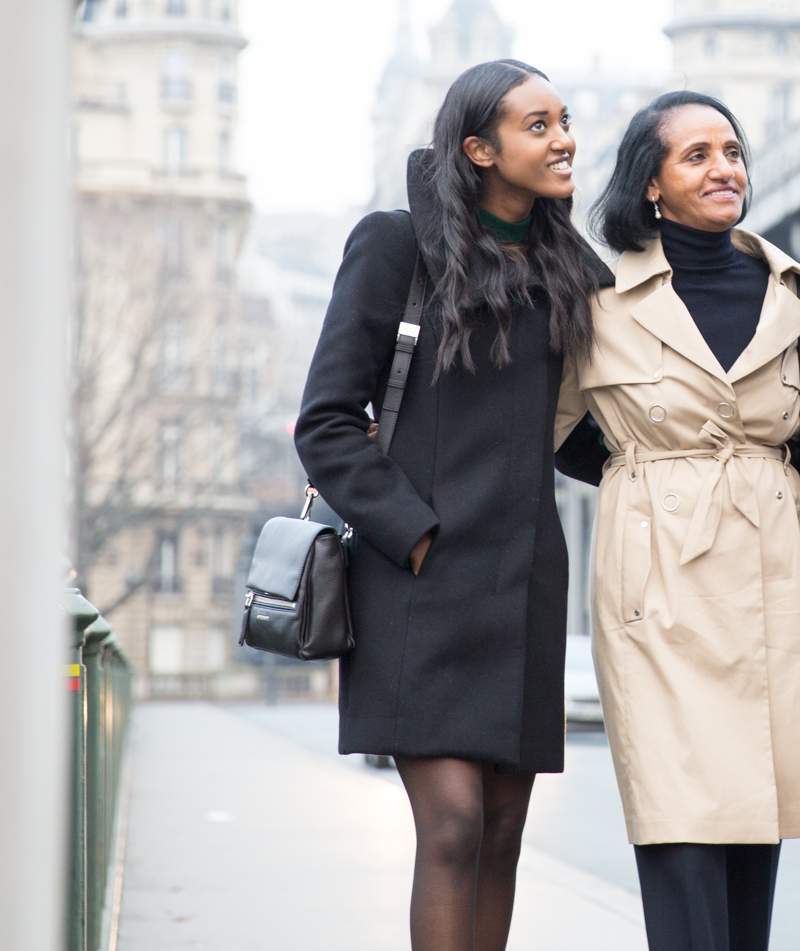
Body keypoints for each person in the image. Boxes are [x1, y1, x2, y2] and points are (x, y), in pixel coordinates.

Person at [295, 60, 607, 951]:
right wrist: (416, 536)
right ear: (478, 149)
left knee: (504, 835)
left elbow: (580, 430)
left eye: (566, 120)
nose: (564, 139)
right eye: (538, 125)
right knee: (455, 825)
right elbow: (326, 421)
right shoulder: (395, 245)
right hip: (417, 580)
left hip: (524, 584)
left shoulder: (568, 268)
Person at [557, 91, 800, 951]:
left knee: (752, 821)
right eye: (696, 154)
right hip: (657, 587)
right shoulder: (594, 297)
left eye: (731, 150)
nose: (723, 167)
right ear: (650, 184)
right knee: (679, 823)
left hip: (775, 581)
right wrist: (648, 475)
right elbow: (548, 434)